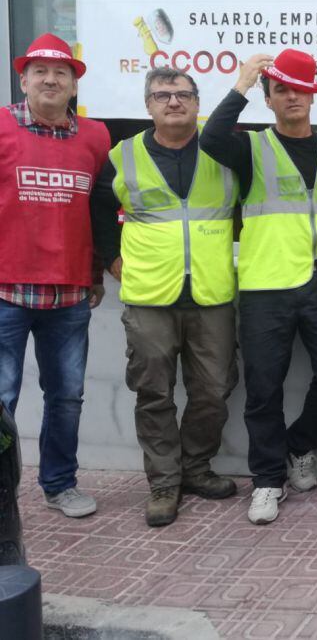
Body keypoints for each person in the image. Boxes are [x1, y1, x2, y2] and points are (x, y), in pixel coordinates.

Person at [200, 49, 317, 525]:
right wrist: (241, 84)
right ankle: (267, 480)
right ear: (269, 99)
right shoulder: (251, 148)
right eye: (280, 89)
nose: (291, 97)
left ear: (313, 95)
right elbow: (211, 138)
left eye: (299, 89)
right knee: (264, 389)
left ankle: (299, 445)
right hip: (265, 287)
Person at [90, 67, 239, 528]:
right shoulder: (124, 155)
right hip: (149, 295)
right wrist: (110, 258)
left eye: (183, 95)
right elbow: (96, 207)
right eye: (162, 95)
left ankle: (195, 468)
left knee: (213, 390)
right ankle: (163, 482)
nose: (173, 102)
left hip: (212, 293)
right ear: (148, 105)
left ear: (197, 103)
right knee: (153, 392)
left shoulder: (223, 151)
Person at [0, 34, 110, 518]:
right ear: (23, 79)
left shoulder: (96, 136)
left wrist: (96, 272)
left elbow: (102, 211)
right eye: (40, 71)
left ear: (73, 85)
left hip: (68, 293)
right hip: (5, 289)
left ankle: (60, 484)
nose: (50, 79)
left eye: (61, 72)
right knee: (0, 401)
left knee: (66, 397)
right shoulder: (0, 127)